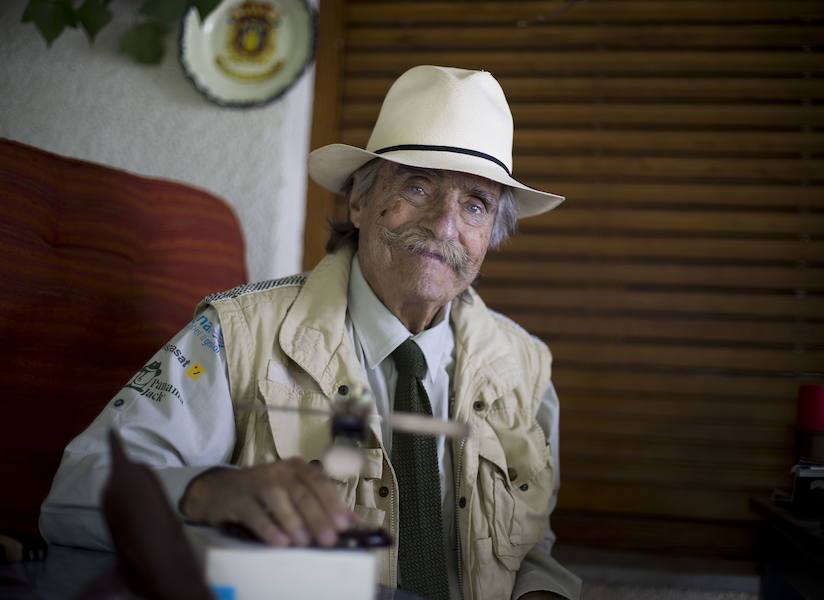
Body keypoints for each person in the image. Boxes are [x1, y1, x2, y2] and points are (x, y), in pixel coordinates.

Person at [41, 65, 582, 600]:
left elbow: (533, 544)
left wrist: (542, 592)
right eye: (418, 186)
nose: (444, 225)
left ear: (491, 235)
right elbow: (78, 489)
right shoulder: (238, 334)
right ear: (360, 200)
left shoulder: (526, 366)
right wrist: (211, 491)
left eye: (475, 205)